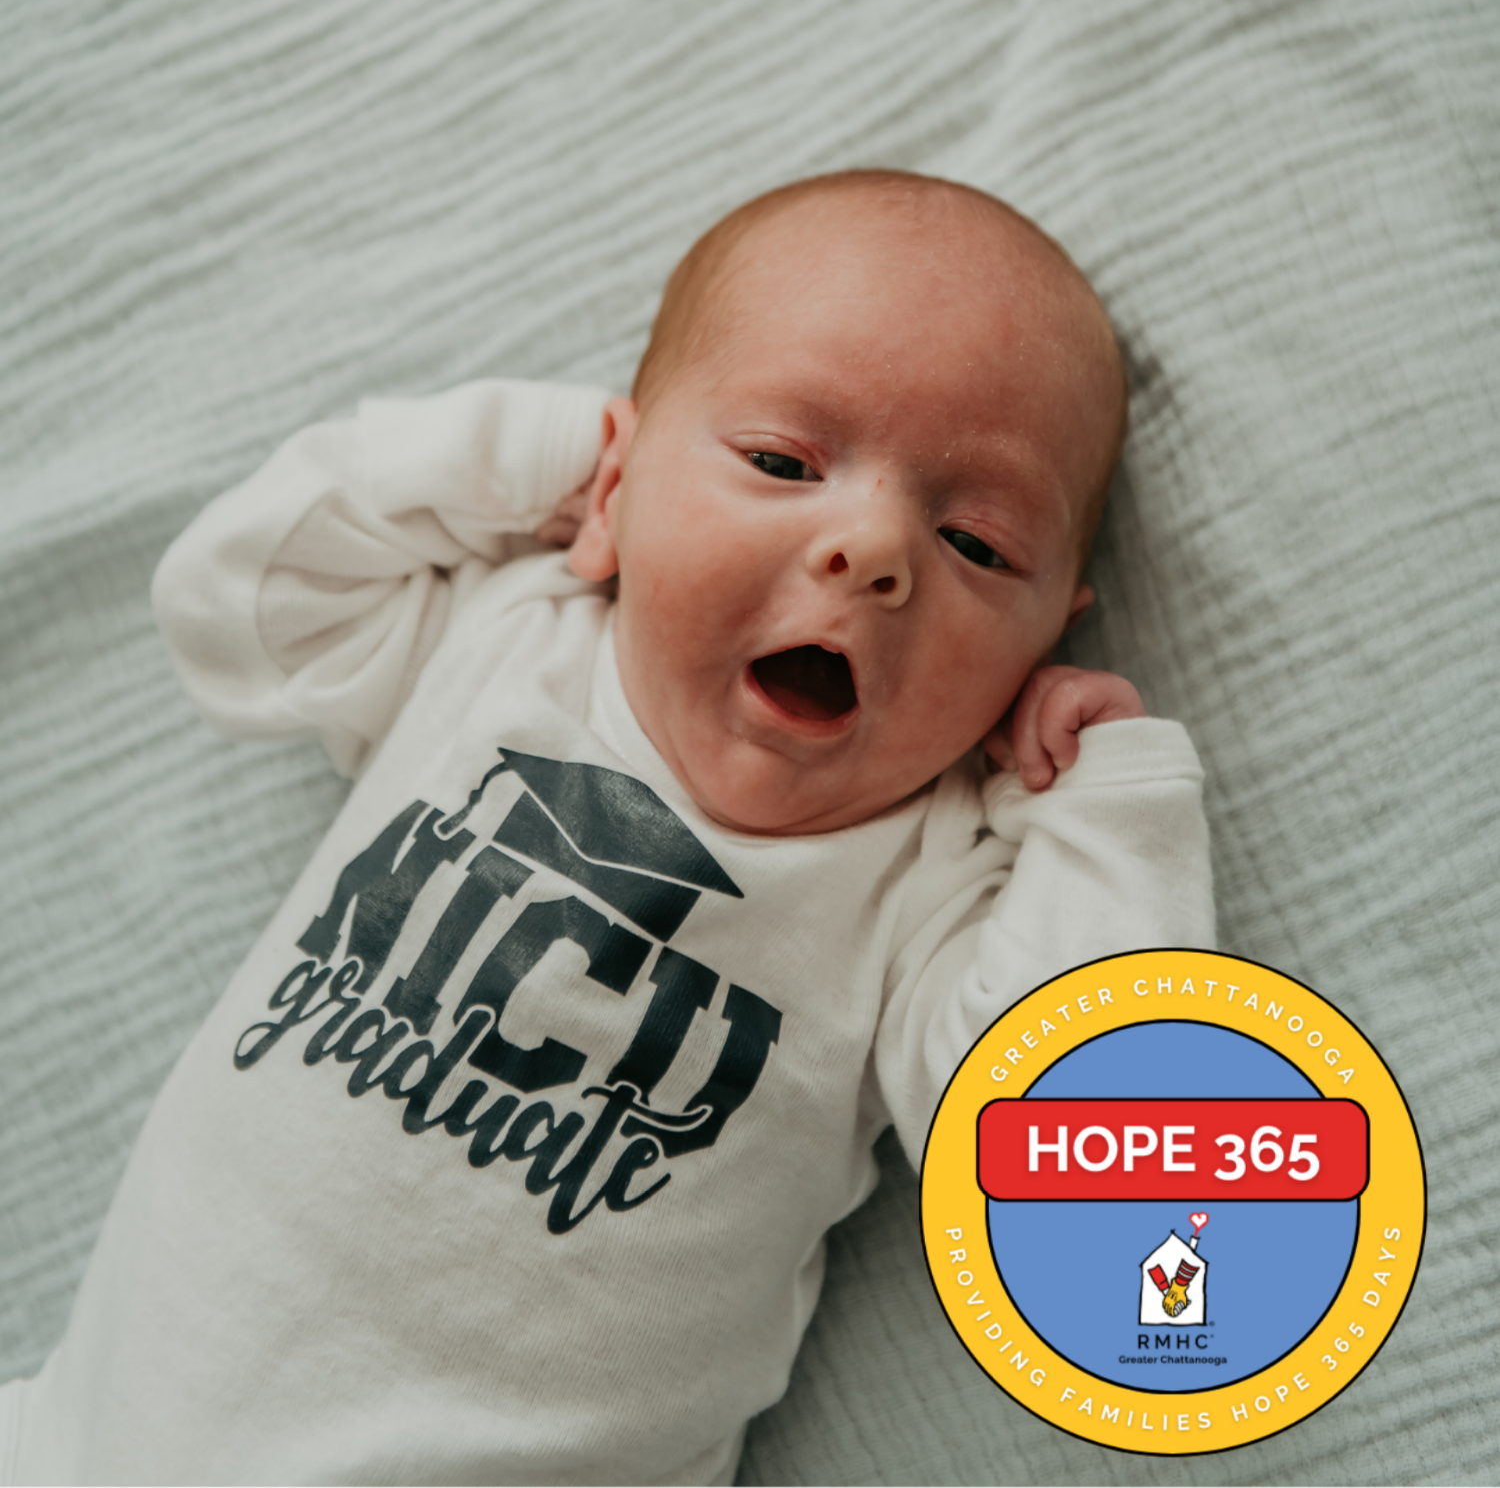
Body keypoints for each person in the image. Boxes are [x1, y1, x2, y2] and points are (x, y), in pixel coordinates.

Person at [0, 170, 1213, 1484]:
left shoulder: (931, 888)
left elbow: (1076, 1133)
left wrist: (1106, 815)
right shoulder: (504, 638)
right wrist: (548, 459)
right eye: (779, 462)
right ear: (626, 483)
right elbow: (240, 608)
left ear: (1050, 635)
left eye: (976, 543)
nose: (874, 548)